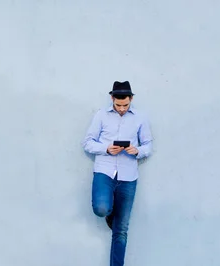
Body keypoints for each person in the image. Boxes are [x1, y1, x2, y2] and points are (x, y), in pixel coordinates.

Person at [82, 81, 153, 266]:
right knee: (101, 208)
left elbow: (148, 146)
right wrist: (106, 148)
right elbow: (87, 142)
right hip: (104, 171)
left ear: (131, 99)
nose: (121, 109)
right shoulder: (101, 116)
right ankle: (110, 214)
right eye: (118, 105)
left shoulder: (140, 118)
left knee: (121, 230)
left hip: (128, 176)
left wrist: (136, 151)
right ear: (112, 99)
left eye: (125, 105)